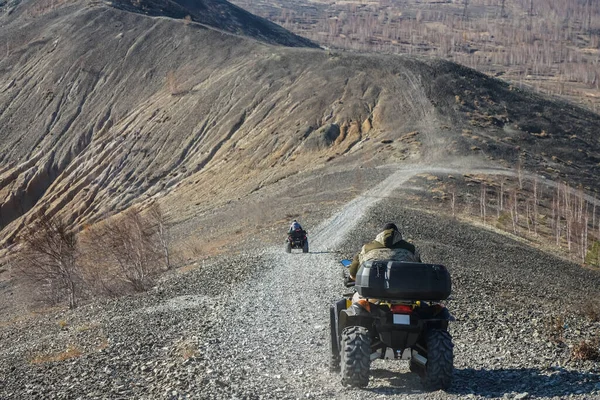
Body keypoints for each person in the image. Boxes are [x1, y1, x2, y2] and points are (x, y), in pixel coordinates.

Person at [348, 222, 421, 281]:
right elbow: (420, 271)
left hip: (372, 290)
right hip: (404, 291)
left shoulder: (367, 248)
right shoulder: (411, 248)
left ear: (381, 234)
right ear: (398, 235)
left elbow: (353, 274)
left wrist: (351, 278)